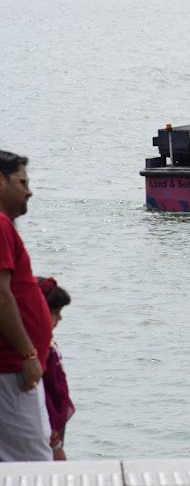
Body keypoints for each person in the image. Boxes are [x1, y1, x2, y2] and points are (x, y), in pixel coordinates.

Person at [0, 150, 52, 462]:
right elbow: (2, 295)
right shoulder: (1, 225)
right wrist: (28, 354)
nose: (29, 190)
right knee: (32, 465)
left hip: (11, 367)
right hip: (12, 368)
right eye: (22, 182)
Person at [37, 277, 73, 461]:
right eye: (55, 312)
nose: (60, 318)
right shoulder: (37, 352)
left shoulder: (45, 346)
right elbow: (40, 401)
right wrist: (56, 444)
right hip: (44, 437)